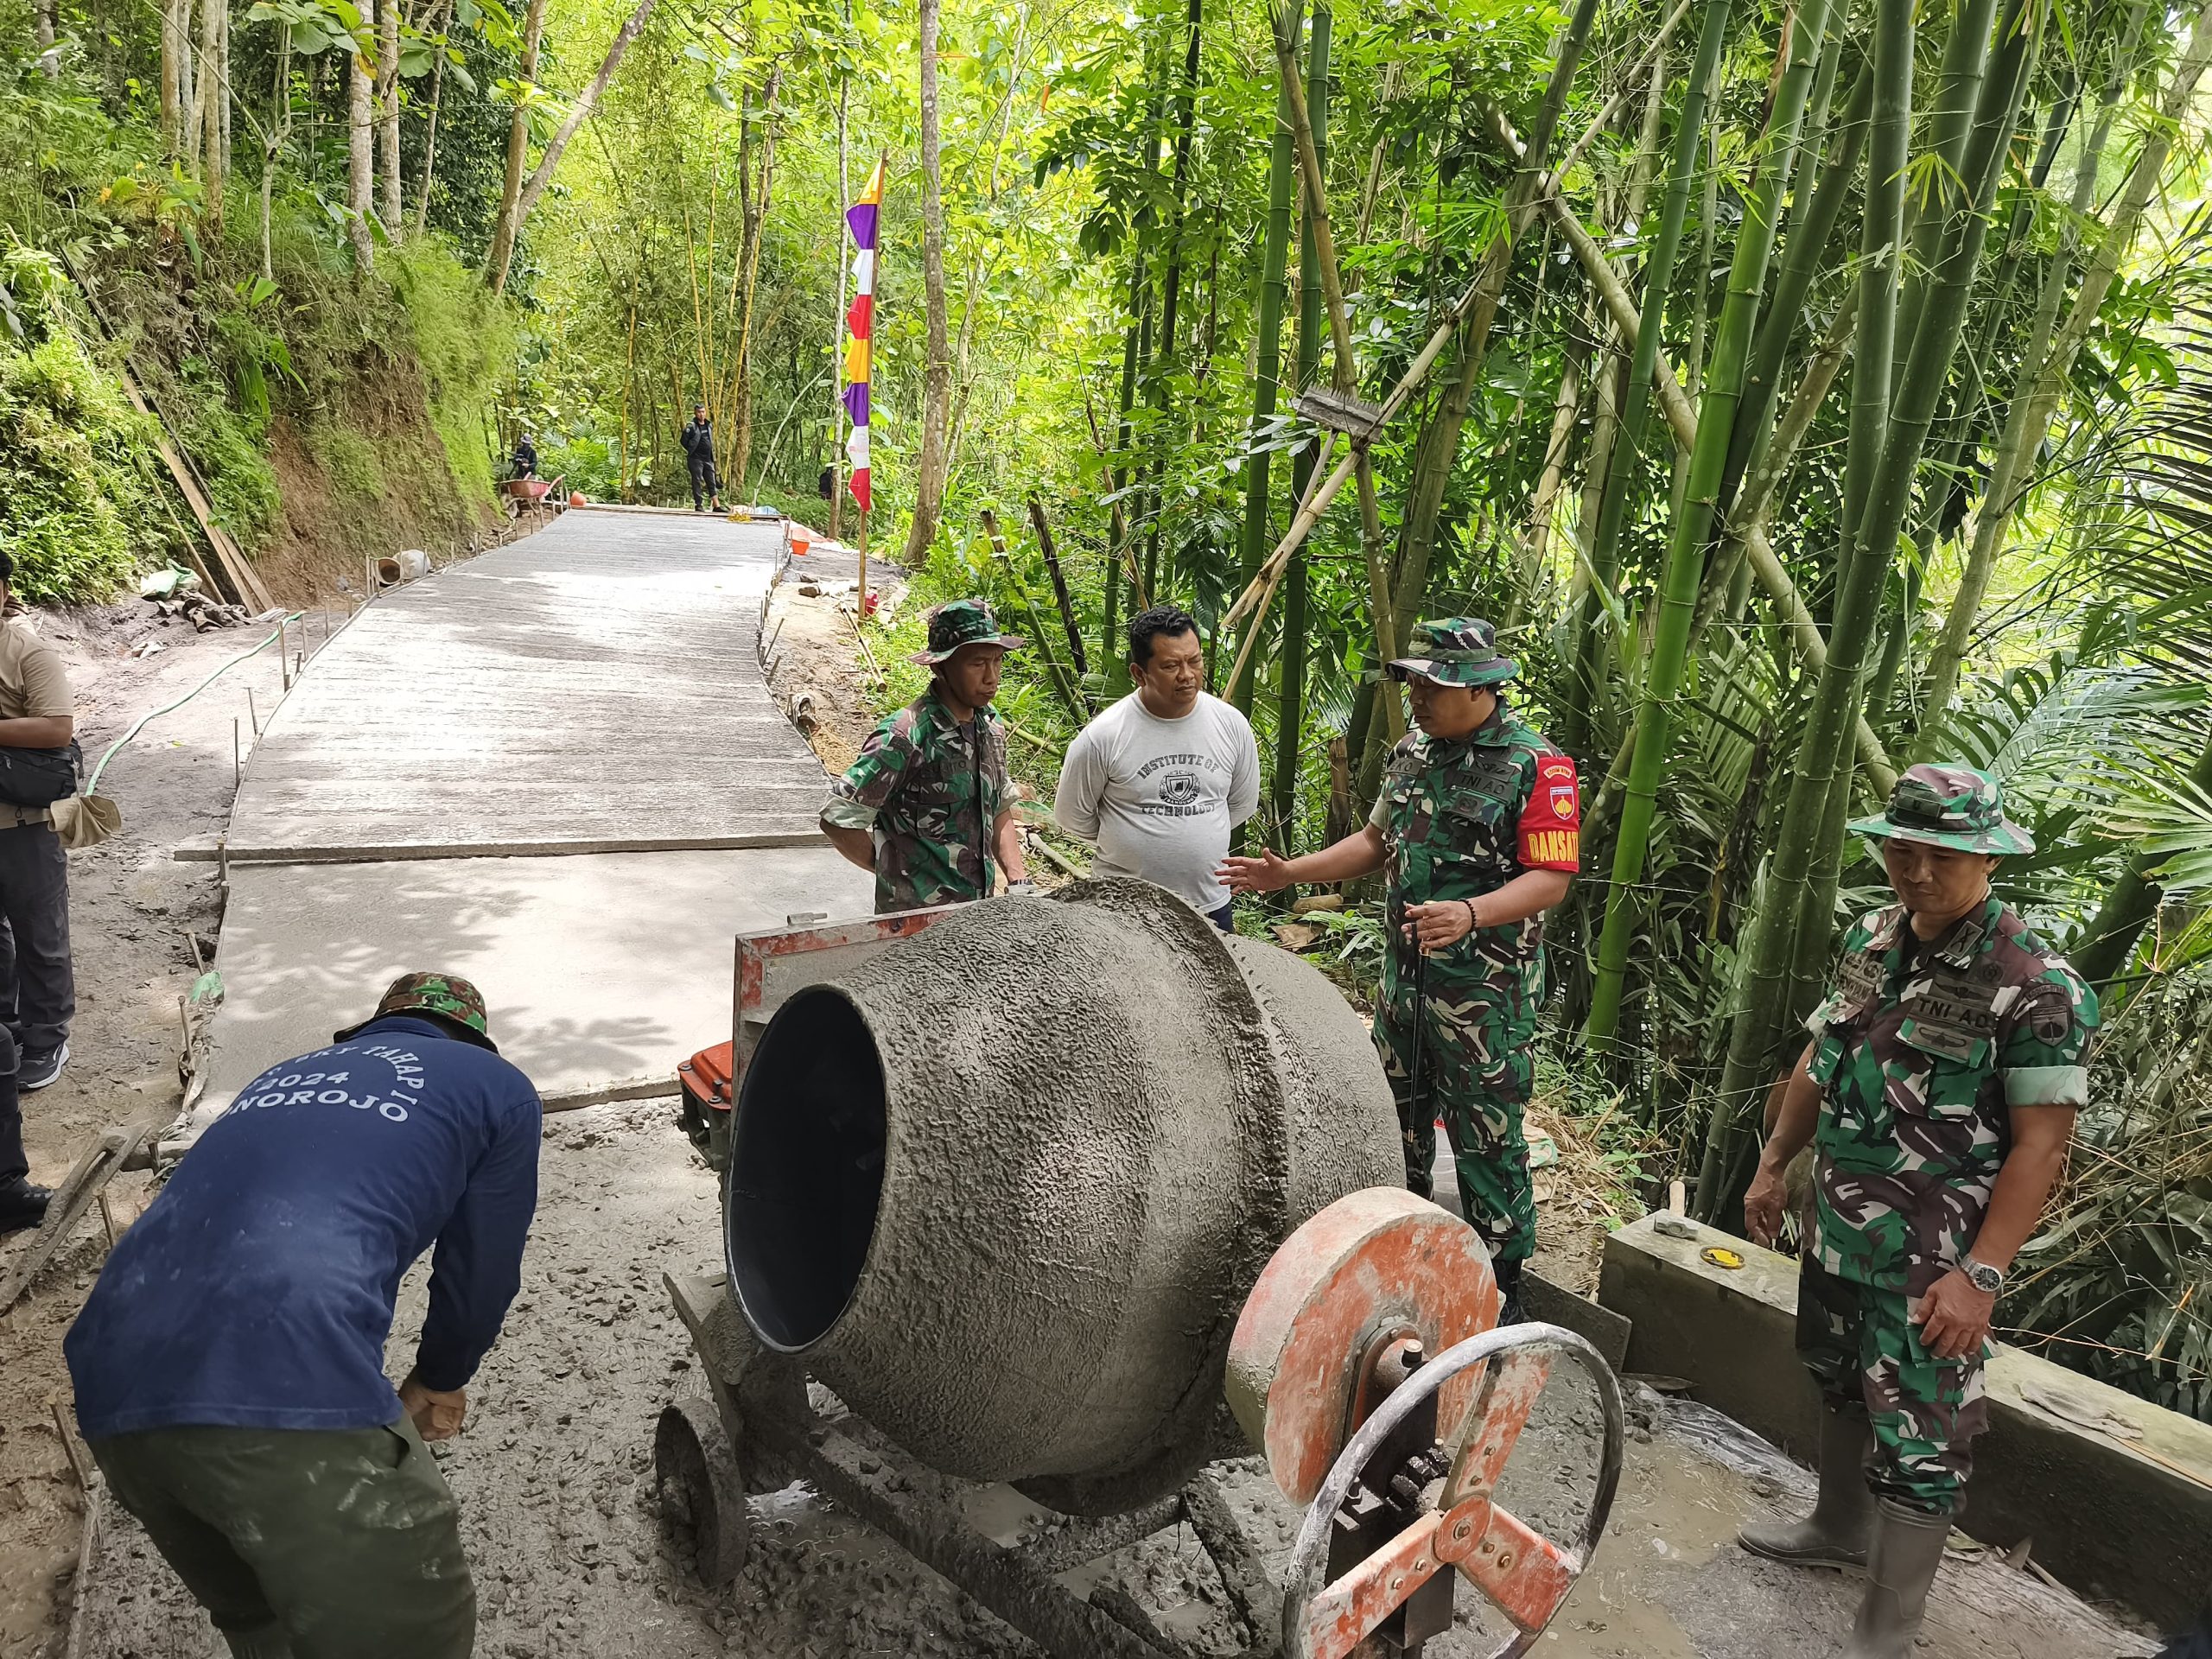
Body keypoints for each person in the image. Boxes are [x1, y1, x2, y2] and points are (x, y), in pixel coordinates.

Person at [64, 973, 541, 1659]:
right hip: (280, 1374)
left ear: (376, 1027)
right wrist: (440, 1376)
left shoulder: (280, 1074)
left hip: (110, 1383)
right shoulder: (497, 1087)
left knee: (264, 1624)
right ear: (474, 1040)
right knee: (409, 1633)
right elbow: (480, 1268)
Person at [1739, 765, 2097, 1659]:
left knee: (1922, 1439)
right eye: (1903, 847)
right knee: (1837, 1381)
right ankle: (1834, 1531)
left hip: (1933, 1260)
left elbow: (2038, 1146)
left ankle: (1883, 1633)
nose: (1919, 868)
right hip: (1841, 1230)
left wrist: (1980, 1276)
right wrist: (1774, 1162)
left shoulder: (2036, 983)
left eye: (1943, 852)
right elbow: (1821, 1058)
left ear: (1987, 856)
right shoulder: (1870, 935)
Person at [1220, 618, 1579, 1320]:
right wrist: (1286, 874)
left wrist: (1470, 913)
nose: (1416, 696)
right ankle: (1405, 1254)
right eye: (1412, 681)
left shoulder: (1538, 767)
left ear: (1480, 689)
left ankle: (1499, 1291)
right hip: (1404, 987)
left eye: (1431, 685)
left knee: (1486, 1142)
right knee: (1395, 1121)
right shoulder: (1411, 749)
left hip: (1484, 998)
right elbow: (1373, 841)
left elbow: (1552, 878)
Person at [1053, 605, 1259, 930]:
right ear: (1139, 673)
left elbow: (1239, 804)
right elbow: (1073, 816)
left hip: (1210, 903)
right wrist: (1131, 840)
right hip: (1121, 904)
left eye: (1194, 660)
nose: (1187, 674)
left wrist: (1189, 830)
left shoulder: (1232, 725)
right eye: (1170, 666)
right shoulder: (1104, 736)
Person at [822, 599, 1032, 913]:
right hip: (914, 923)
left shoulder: (990, 726)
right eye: (977, 664)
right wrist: (896, 874)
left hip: (977, 916)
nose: (991, 677)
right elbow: (838, 820)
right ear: (940, 667)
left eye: (997, 661)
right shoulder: (906, 735)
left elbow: (999, 805)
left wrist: (1017, 881)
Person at [0, 553, 78, 1235]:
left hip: (22, 828)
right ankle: (9, 1031)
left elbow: (57, 729)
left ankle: (47, 1036)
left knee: (39, 934)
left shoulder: (27, 652)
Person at [679, 404, 721, 512]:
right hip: (696, 459)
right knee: (697, 481)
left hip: (708, 458)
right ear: (695, 413)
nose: (701, 414)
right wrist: (691, 449)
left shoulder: (709, 425)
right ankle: (698, 504)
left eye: (703, 412)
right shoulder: (691, 426)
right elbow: (683, 440)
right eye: (699, 412)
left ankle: (716, 506)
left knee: (711, 481)